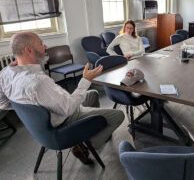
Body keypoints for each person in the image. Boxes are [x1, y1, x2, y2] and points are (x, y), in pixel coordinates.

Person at [0, 32, 125, 164]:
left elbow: (3, 104)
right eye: (41, 44)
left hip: (44, 125)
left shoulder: (5, 73)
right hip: (64, 120)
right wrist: (86, 79)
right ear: (28, 50)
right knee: (118, 115)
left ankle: (87, 131)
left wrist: (29, 110)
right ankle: (85, 143)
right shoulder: (38, 81)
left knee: (93, 94)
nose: (45, 46)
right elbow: (69, 109)